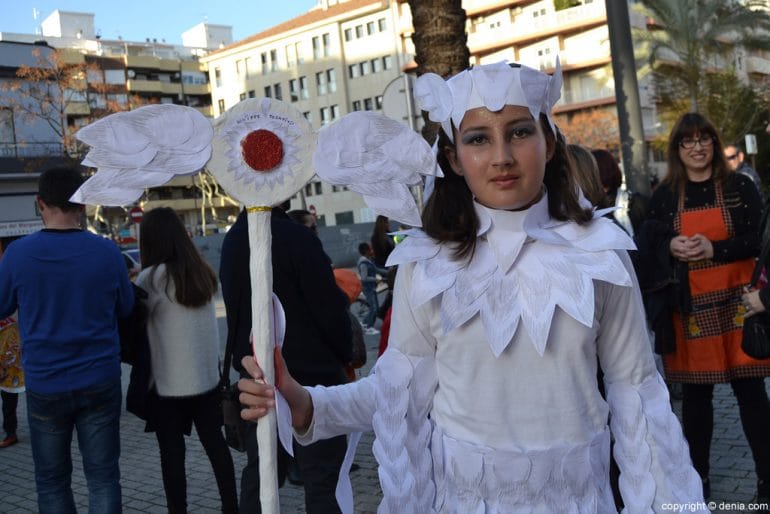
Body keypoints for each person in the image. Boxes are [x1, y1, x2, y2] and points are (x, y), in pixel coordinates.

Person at [238, 61, 705, 512]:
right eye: (478, 139)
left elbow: (640, 400)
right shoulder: (427, 264)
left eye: (520, 131)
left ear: (550, 142)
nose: (501, 156)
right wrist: (302, 402)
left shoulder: (601, 253)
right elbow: (399, 392)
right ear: (453, 159)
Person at [645, 112, 770, 505]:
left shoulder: (739, 187)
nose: (696, 147)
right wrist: (670, 245)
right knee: (697, 400)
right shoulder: (665, 195)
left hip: (740, 305)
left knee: (751, 393)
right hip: (691, 309)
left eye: (704, 139)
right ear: (677, 149)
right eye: (687, 141)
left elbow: (759, 240)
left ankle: (768, 481)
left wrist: (718, 248)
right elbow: (647, 239)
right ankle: (697, 484)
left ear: (714, 144)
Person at [0, 167, 134, 513]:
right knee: (104, 477)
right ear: (83, 203)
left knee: (51, 481)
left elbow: (2, 305)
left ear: (39, 203)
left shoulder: (17, 255)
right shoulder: (107, 253)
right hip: (100, 377)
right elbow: (126, 307)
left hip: (46, 381)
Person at [220, 203, 352, 513]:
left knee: (262, 472)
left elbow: (235, 315)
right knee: (321, 479)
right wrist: (344, 354)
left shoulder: (233, 239)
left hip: (257, 379)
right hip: (313, 377)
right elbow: (329, 308)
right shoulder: (297, 237)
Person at [135, 207, 238, 514]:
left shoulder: (150, 279)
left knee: (172, 456)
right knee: (217, 448)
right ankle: (231, 507)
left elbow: (135, 330)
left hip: (168, 387)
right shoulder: (203, 274)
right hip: (206, 381)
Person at [0, 236, 23, 449]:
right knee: (7, 391)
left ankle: (11, 432)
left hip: (16, 345)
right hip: (5, 345)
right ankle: (10, 430)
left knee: (10, 390)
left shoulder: (14, 277)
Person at [356, 242, 386, 334]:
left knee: (375, 308)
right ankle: (367, 326)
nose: (371, 251)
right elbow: (364, 278)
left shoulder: (368, 261)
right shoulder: (363, 263)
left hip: (371, 287)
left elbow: (376, 269)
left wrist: (387, 272)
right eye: (369, 249)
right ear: (365, 251)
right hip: (368, 288)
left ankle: (366, 324)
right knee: (373, 308)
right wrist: (375, 279)